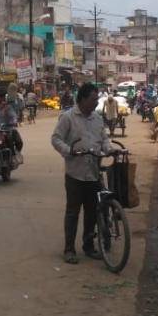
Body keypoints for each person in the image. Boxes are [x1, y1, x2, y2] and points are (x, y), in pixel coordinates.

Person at [51, 82, 113, 264]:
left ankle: (88, 246)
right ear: (83, 99)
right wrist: (69, 150)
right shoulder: (68, 117)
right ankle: (69, 249)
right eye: (93, 100)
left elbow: (104, 138)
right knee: (72, 213)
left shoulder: (97, 118)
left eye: (97, 100)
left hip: (93, 172)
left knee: (91, 212)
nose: (96, 103)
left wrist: (108, 149)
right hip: (75, 173)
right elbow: (56, 139)